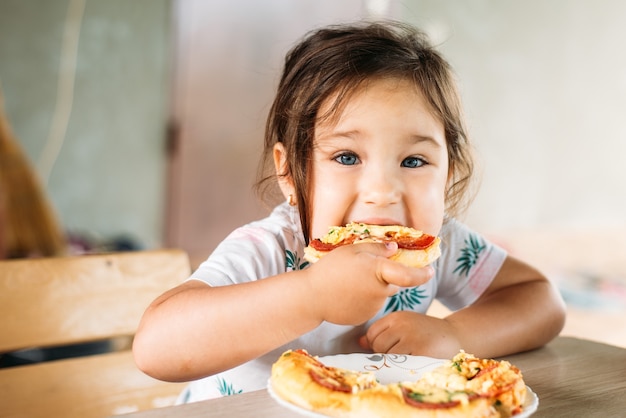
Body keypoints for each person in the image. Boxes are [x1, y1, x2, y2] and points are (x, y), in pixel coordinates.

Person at [133, 20, 566, 402]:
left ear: (448, 173)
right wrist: (313, 293)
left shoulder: (440, 246)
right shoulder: (270, 250)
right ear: (289, 173)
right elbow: (155, 348)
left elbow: (540, 300)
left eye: (413, 162)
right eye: (346, 157)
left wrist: (455, 335)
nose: (382, 192)